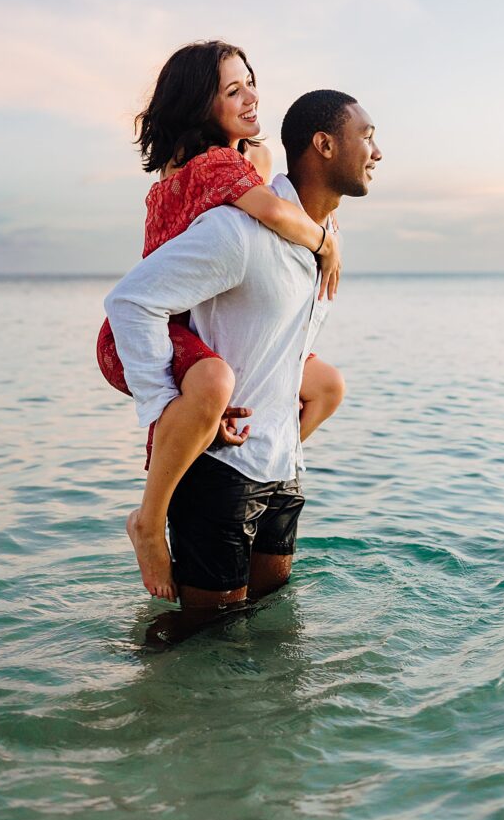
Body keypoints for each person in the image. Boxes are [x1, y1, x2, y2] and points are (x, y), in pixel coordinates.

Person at [105, 88, 381, 637]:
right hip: (220, 474)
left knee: (275, 634)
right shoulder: (239, 232)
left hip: (282, 469)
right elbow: (130, 302)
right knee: (204, 644)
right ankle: (150, 713)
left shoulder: (323, 242)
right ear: (324, 145)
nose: (377, 152)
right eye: (367, 137)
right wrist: (166, 405)